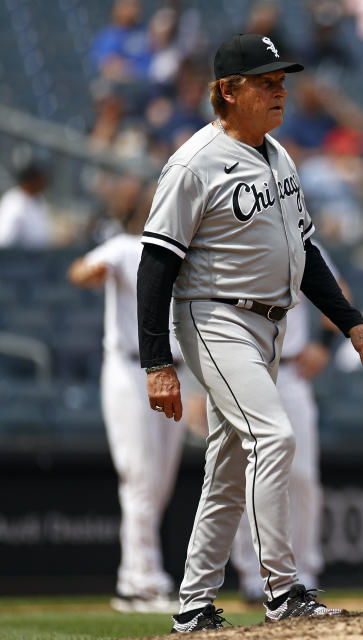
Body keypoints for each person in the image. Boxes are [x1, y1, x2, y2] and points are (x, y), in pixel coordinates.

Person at [136, 33, 363, 632]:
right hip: (215, 316)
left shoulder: (279, 155)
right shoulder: (194, 163)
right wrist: (156, 363)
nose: (280, 91)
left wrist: (351, 323)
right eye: (266, 82)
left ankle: (194, 606)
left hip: (269, 325)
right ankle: (281, 589)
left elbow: (305, 246)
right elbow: (156, 263)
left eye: (282, 81)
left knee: (227, 465)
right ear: (228, 90)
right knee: (273, 437)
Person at [68, 208, 185, 614]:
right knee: (140, 474)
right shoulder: (123, 246)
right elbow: (79, 271)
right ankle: (140, 581)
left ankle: (138, 574)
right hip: (130, 368)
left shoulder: (182, 252)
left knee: (161, 482)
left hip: (177, 370)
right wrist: (92, 271)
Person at [230, 246, 345, 604]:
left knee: (302, 476)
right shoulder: (229, 235)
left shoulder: (299, 237)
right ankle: (253, 575)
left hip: (291, 370)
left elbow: (338, 288)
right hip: (240, 368)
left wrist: (325, 344)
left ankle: (305, 571)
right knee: (245, 474)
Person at [0, 161, 53, 248]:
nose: (44, 183)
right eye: (40, 179)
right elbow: (5, 240)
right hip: (17, 259)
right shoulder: (13, 201)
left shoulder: (40, 199)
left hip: (38, 258)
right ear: (31, 180)